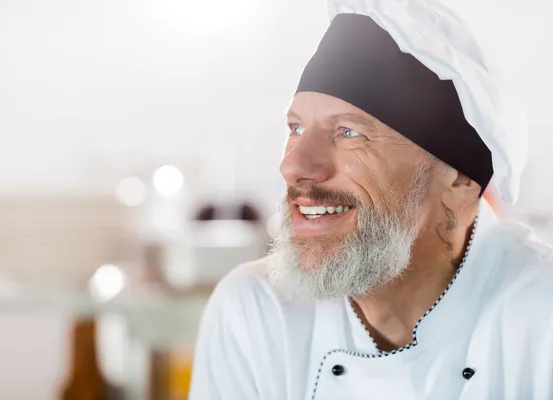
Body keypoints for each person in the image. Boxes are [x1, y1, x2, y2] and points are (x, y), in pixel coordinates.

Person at [189, 1, 553, 399]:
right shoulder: (256, 314)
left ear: (461, 178)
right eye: (295, 128)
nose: (293, 166)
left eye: (348, 132)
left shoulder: (541, 317)